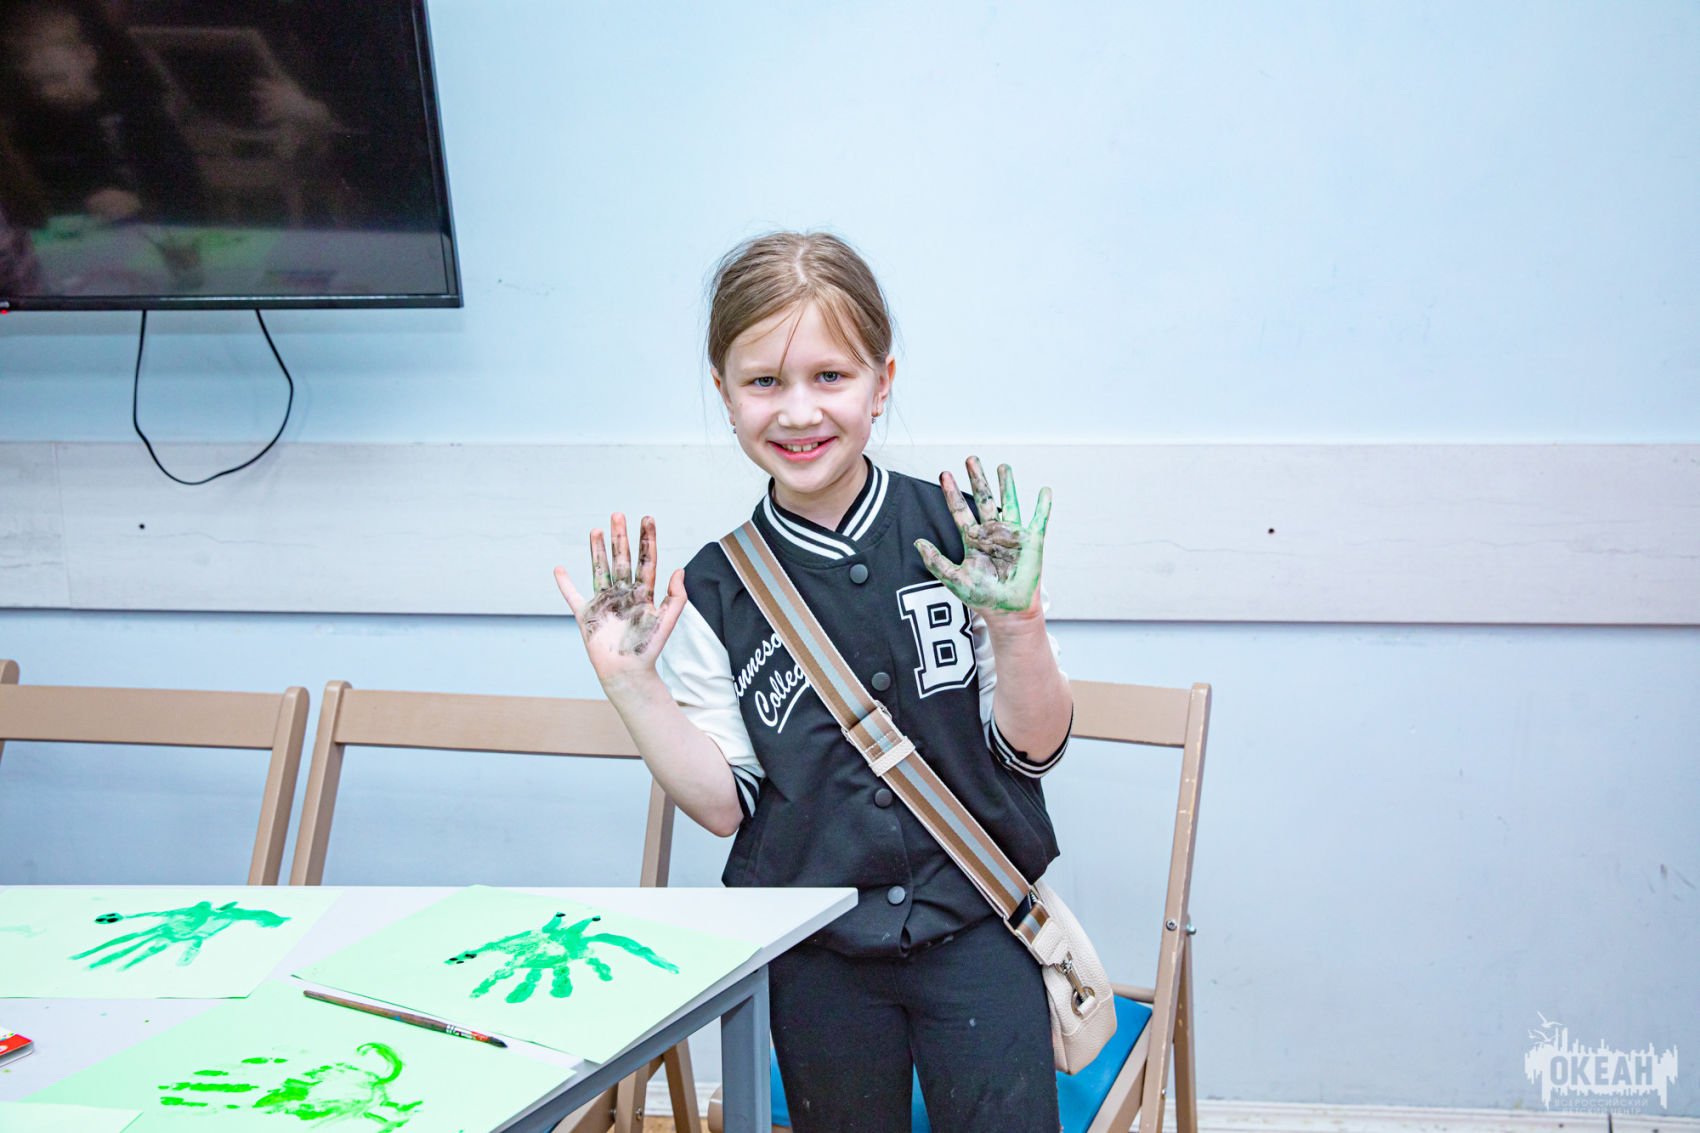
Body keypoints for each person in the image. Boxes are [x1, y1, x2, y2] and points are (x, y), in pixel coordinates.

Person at [554, 231, 1072, 1132]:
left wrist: (1019, 624)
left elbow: (1034, 746)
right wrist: (633, 685)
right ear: (725, 394)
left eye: (830, 376)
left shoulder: (968, 537)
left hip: (981, 927)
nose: (798, 412)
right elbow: (724, 805)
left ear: (882, 381)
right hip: (817, 955)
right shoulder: (712, 589)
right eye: (764, 382)